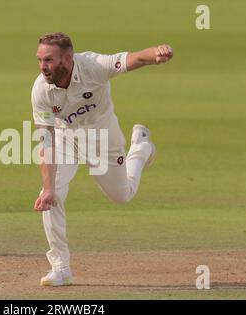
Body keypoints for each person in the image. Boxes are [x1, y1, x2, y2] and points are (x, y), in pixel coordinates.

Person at [31, 32, 173, 286]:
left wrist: (156, 54)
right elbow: (46, 141)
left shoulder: (93, 66)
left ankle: (140, 149)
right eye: (40, 60)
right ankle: (61, 267)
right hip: (67, 141)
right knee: (50, 195)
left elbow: (135, 58)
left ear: (68, 57)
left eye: (49, 60)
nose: (43, 67)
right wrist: (50, 188)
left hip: (104, 140)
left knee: (122, 195)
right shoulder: (41, 90)